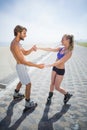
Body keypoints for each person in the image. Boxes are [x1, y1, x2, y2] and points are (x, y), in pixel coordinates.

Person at [10, 25, 44, 108]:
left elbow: (25, 53)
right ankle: (28, 103)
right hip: (21, 66)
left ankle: (16, 93)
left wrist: (32, 49)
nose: (25, 35)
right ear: (18, 33)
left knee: (22, 80)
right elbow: (23, 61)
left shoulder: (18, 43)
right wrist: (37, 65)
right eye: (24, 33)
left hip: (21, 66)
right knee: (28, 84)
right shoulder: (15, 45)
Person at [37, 34, 74, 104]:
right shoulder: (61, 48)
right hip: (55, 68)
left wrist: (48, 65)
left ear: (68, 40)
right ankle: (49, 97)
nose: (61, 40)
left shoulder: (69, 52)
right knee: (52, 83)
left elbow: (60, 61)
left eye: (63, 39)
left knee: (57, 87)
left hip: (60, 70)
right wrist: (39, 48)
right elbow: (50, 49)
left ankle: (67, 94)